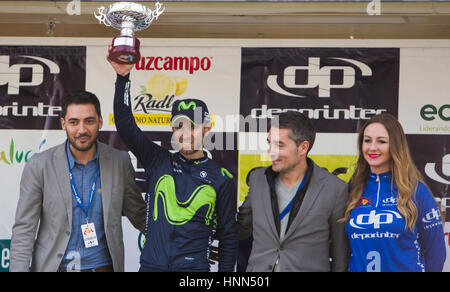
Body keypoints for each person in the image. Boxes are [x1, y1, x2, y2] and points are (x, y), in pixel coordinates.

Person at [107, 47, 237, 272]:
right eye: (178, 126)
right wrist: (122, 78)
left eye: (192, 126)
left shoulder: (221, 178)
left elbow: (228, 238)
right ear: (171, 130)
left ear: (207, 128)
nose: (184, 133)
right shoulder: (158, 161)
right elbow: (126, 126)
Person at [10, 91, 147, 272]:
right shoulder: (39, 165)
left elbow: (139, 214)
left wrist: (182, 237)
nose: (82, 130)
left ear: (100, 122)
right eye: (74, 122)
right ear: (63, 124)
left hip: (103, 268)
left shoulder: (119, 162)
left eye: (89, 121)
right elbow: (24, 229)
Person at [238, 111, 350, 272]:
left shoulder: (335, 189)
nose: (271, 151)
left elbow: (340, 257)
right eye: (269, 143)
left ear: (303, 147)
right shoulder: (257, 179)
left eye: (279, 144)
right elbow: (241, 228)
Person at [342, 113, 446, 272]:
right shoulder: (353, 190)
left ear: (395, 146)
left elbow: (436, 253)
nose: (372, 147)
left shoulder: (417, 191)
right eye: (367, 140)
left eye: (381, 141)